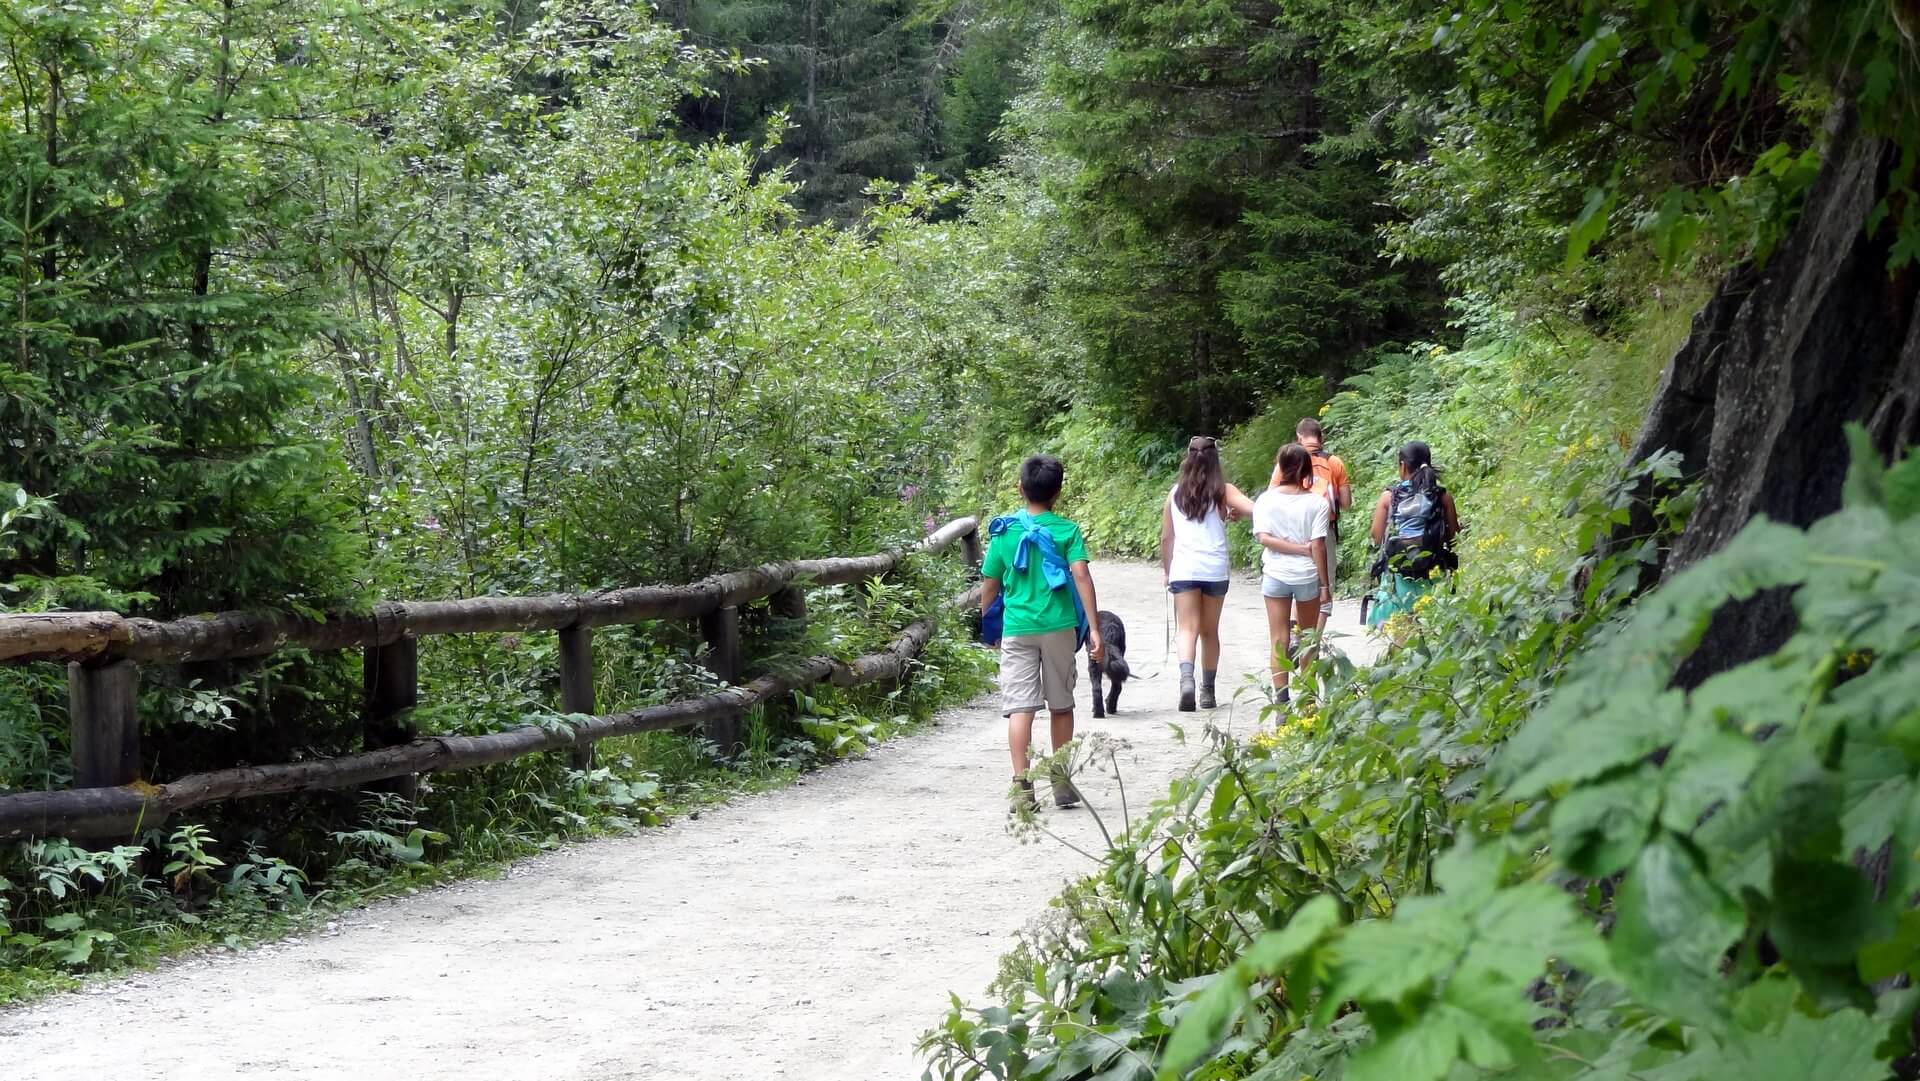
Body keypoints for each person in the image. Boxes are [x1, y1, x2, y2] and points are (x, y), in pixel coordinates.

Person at [980, 455, 1104, 811]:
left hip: (1017, 627)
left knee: (1021, 709)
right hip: (1059, 628)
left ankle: (1022, 787)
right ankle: (1062, 782)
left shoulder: (1004, 532)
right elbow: (1081, 576)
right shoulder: (1067, 530)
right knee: (1061, 706)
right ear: (1058, 493)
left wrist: (989, 625)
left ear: (1021, 489)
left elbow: (989, 585)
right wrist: (1095, 628)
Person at [1160, 436, 1291, 711]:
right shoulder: (1223, 490)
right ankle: (1207, 691)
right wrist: (1237, 513)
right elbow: (1259, 509)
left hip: (1183, 568)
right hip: (1214, 569)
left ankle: (1187, 681)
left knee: (1187, 629)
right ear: (1214, 459)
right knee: (1209, 631)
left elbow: (1166, 538)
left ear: (1188, 458)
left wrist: (1168, 570)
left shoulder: (1174, 494)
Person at [1253, 444, 1332, 704]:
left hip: (1275, 574)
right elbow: (1318, 545)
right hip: (1307, 576)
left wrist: (1293, 549)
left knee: (1278, 637)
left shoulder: (1266, 500)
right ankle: (1308, 701)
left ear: (1280, 467)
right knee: (1308, 637)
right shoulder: (1317, 503)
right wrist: (1324, 585)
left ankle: (1281, 701)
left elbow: (1264, 538)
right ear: (1307, 470)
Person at [1365, 440, 1460, 626]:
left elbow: (1376, 537)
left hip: (1398, 575)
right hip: (1433, 571)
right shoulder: (1442, 497)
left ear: (1402, 465)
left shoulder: (1388, 497)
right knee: (1433, 624)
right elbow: (1453, 536)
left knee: (1399, 627)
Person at [1271, 418, 1350, 632]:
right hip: (1325, 531)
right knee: (1325, 587)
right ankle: (1313, 641)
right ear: (1321, 437)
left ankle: (1297, 630)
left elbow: (1272, 496)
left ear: (1299, 437)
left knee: (1301, 583)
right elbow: (1345, 502)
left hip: (1294, 530)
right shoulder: (1334, 462)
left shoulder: (1285, 463)